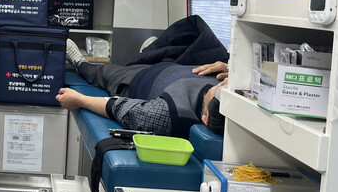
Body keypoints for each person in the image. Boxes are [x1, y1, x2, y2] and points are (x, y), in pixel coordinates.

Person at [57, 17, 229, 138]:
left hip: (140, 79)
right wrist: (230, 68)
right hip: (178, 65)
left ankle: (80, 62)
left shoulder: (166, 114)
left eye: (219, 89)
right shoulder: (228, 82)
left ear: (205, 117)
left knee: (103, 73)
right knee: (198, 38)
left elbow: (118, 107)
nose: (224, 83)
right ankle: (148, 53)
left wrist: (79, 100)